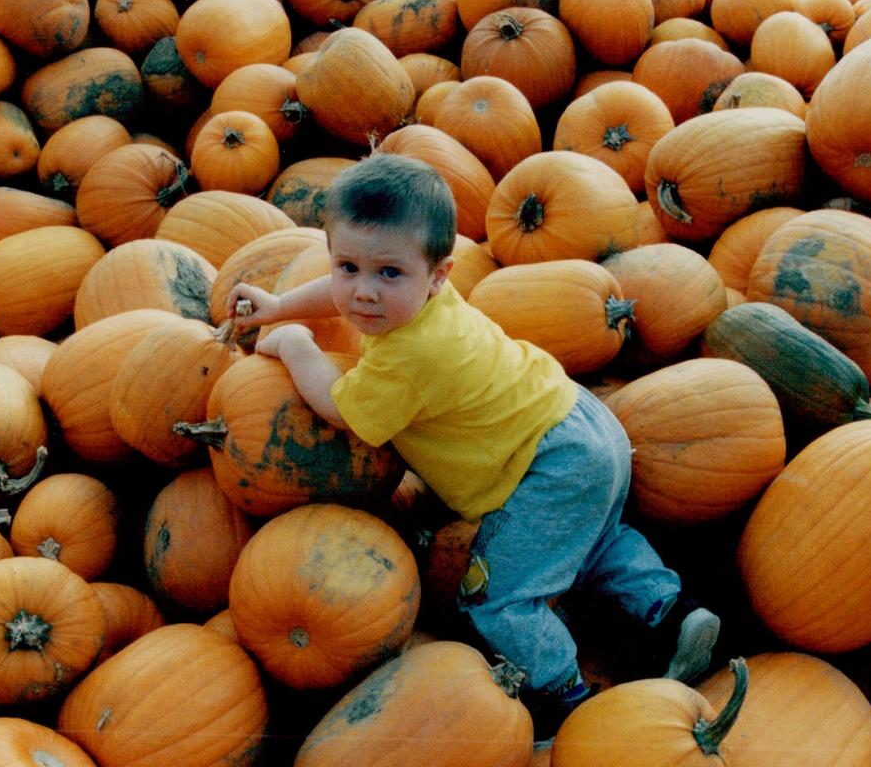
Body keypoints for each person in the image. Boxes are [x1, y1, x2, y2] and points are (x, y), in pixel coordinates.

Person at [226, 153, 719, 732]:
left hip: (546, 466)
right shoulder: (427, 302)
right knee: (591, 541)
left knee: (497, 599)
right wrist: (282, 304)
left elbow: (342, 411)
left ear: (437, 273)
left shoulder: (413, 354)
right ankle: (673, 613)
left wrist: (292, 344)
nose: (362, 292)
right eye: (347, 266)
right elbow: (345, 292)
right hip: (582, 424)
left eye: (388, 274)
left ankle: (565, 698)